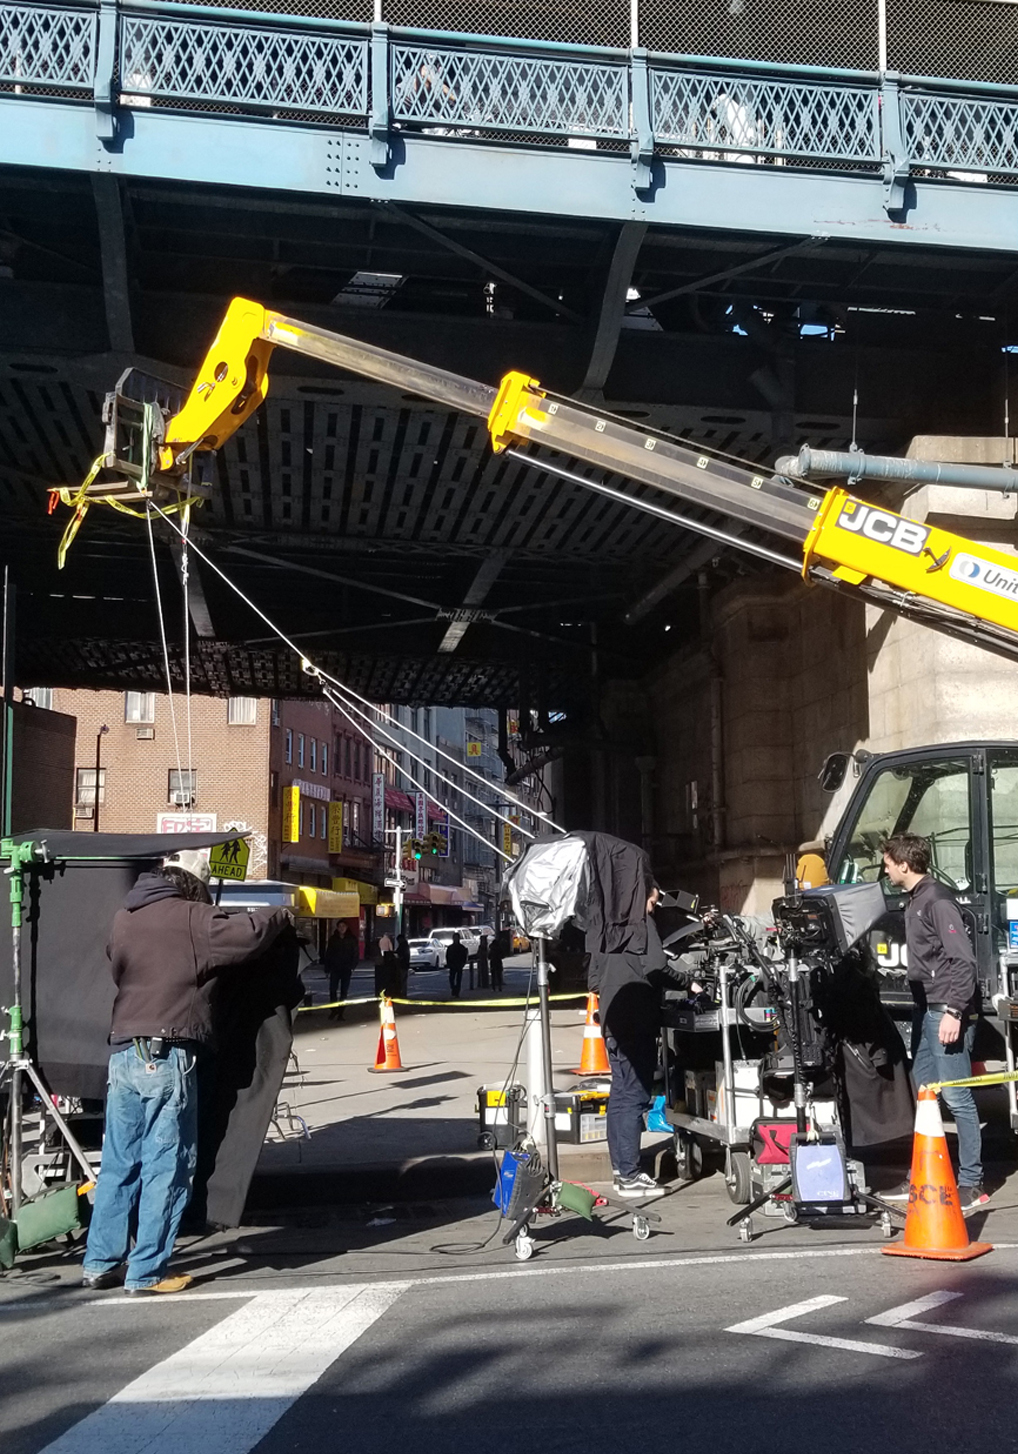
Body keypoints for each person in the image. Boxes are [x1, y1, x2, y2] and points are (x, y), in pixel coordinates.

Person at [81, 849, 289, 1295]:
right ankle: (147, 1271)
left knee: (119, 1165)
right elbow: (250, 934)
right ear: (193, 884)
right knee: (167, 1166)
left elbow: (119, 967)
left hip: (122, 1052)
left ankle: (100, 1262)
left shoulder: (124, 918)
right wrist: (280, 913)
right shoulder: (193, 918)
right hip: (168, 1052)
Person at [881, 832, 988, 1211]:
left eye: (888, 861)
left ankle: (972, 1184)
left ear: (905, 864)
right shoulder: (917, 900)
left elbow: (964, 962)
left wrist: (956, 1011)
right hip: (925, 1007)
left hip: (945, 1009)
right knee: (925, 1093)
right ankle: (923, 1176)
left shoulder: (937, 901)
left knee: (957, 1095)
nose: (885, 867)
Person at [577, 831, 668, 1200]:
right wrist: (688, 982)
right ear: (645, 892)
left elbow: (593, 979)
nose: (654, 908)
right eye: (654, 900)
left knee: (620, 1093)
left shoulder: (605, 925)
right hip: (636, 1019)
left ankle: (620, 1169)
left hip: (611, 1020)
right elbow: (658, 965)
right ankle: (631, 1175)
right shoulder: (639, 923)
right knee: (635, 1094)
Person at [324, 921, 359, 1021]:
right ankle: (334, 1009)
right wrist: (327, 969)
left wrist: (352, 966)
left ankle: (341, 1012)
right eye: (340, 926)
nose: (341, 928)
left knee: (344, 991)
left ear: (347, 927)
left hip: (346, 968)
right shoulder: (333, 939)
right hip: (335, 968)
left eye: (343, 926)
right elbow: (329, 953)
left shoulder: (351, 939)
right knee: (332, 990)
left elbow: (355, 953)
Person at [446, 932, 467, 998]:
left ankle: (457, 992)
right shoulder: (450, 948)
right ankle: (454, 989)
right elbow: (447, 956)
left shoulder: (462, 948)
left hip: (459, 965)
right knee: (451, 979)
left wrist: (463, 963)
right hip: (452, 965)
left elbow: (464, 956)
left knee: (458, 979)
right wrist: (449, 964)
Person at [395, 932, 411, 999]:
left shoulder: (403, 946)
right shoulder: (405, 945)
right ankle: (403, 993)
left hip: (402, 964)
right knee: (403, 980)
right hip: (405, 964)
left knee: (402, 979)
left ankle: (402, 993)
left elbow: (401, 954)